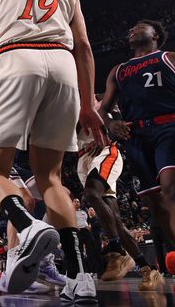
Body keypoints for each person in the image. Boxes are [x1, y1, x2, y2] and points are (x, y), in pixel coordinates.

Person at [0, 0, 104, 301]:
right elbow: (85, 48)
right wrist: (89, 104)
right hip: (62, 67)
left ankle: (26, 227)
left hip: (15, 58)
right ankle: (80, 278)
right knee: (51, 179)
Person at [98, 19, 175, 290]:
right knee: (156, 204)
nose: (132, 29)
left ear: (156, 35)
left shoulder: (168, 57)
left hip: (169, 125)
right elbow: (103, 109)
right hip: (136, 136)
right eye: (130, 28)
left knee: (170, 188)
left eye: (140, 26)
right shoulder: (118, 71)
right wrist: (111, 124)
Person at [0, 95, 66, 294]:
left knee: (58, 195)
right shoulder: (8, 92)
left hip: (13, 162)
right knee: (24, 200)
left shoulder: (40, 100)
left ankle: (43, 261)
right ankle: (10, 271)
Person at [77, 97, 162, 290]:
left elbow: (120, 126)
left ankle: (116, 251)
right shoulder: (70, 99)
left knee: (91, 193)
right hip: (83, 159)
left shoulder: (102, 100)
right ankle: (148, 269)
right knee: (114, 219)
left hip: (105, 152)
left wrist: (108, 137)